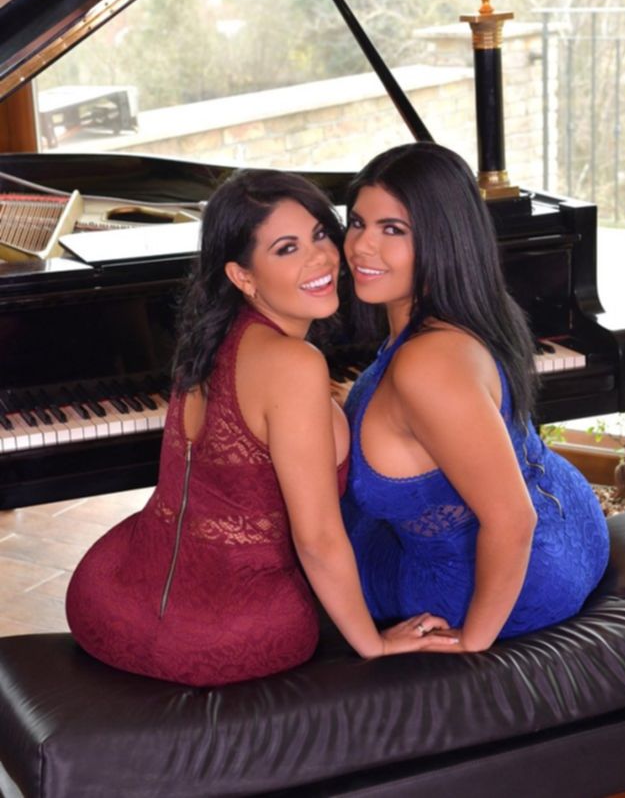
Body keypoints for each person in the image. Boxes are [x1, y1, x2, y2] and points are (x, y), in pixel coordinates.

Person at [66, 168, 456, 686]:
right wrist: (375, 644)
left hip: (107, 598)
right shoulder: (294, 365)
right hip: (221, 632)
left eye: (320, 234)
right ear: (243, 276)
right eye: (286, 249)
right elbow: (318, 540)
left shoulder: (209, 338)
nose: (321, 258)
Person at [341, 142, 610, 653]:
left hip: (507, 583)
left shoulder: (428, 365)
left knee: (314, 538)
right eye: (357, 223)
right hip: (570, 521)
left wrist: (473, 642)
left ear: (442, 239)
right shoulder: (474, 310)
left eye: (392, 230)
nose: (360, 247)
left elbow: (513, 521)